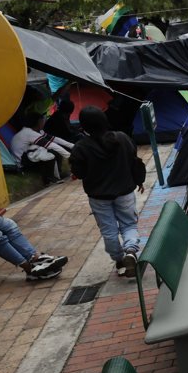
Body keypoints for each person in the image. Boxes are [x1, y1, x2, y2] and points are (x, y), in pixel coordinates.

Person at [70, 107, 145, 278]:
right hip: (125, 191)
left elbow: (79, 173)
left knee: (108, 230)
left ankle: (119, 260)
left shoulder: (81, 147)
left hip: (99, 197)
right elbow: (134, 160)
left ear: (83, 126)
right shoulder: (122, 138)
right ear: (104, 120)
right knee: (129, 224)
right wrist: (139, 180)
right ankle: (131, 251)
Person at [10, 113, 72, 184]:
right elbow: (51, 145)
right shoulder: (29, 133)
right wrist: (70, 156)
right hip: (22, 163)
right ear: (38, 122)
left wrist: (72, 146)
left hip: (27, 157)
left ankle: (57, 175)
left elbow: (54, 139)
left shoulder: (35, 130)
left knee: (52, 149)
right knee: (51, 152)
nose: (44, 122)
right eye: (42, 120)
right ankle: (49, 179)